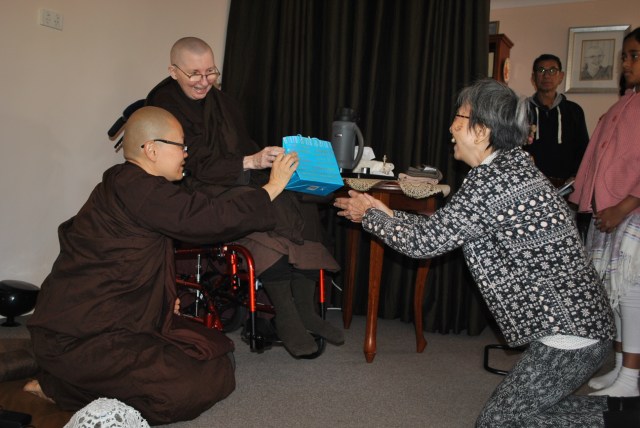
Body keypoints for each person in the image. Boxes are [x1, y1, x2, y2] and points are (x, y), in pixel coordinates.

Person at [335, 79, 640, 426]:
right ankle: (624, 415)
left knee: (501, 422)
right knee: (529, 416)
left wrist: (369, 216)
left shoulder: (493, 180)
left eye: (459, 118)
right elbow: (443, 229)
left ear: (482, 130)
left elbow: (424, 244)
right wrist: (386, 214)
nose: (451, 127)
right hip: (580, 324)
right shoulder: (509, 168)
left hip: (571, 331)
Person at [25, 106, 300, 425]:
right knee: (186, 387)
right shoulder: (136, 185)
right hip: (82, 337)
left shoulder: (134, 186)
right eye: (180, 145)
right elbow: (207, 218)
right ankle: (60, 386)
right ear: (151, 149)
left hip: (118, 324)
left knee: (212, 351)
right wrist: (272, 187)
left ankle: (71, 381)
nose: (186, 154)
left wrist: (163, 301)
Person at [145, 37, 343, 357]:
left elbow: (244, 146)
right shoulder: (163, 110)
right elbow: (191, 164)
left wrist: (265, 158)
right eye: (195, 74)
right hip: (198, 188)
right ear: (173, 71)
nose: (205, 81)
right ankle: (287, 316)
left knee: (301, 201)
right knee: (257, 206)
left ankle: (304, 310)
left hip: (237, 178)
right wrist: (249, 163)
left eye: (211, 72)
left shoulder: (224, 104)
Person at [570, 27, 640, 399]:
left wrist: (623, 206)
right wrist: (583, 195)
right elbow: (597, 157)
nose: (625, 64)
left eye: (634, 56)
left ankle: (632, 375)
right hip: (606, 211)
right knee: (611, 292)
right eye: (624, 56)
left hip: (631, 211)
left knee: (629, 292)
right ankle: (618, 368)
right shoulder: (623, 104)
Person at [525, 54, 590, 187]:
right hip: (529, 185)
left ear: (561, 76)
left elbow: (583, 150)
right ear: (533, 77)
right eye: (541, 70)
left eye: (552, 70)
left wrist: (575, 177)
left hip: (565, 186)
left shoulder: (574, 111)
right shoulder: (521, 110)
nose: (547, 75)